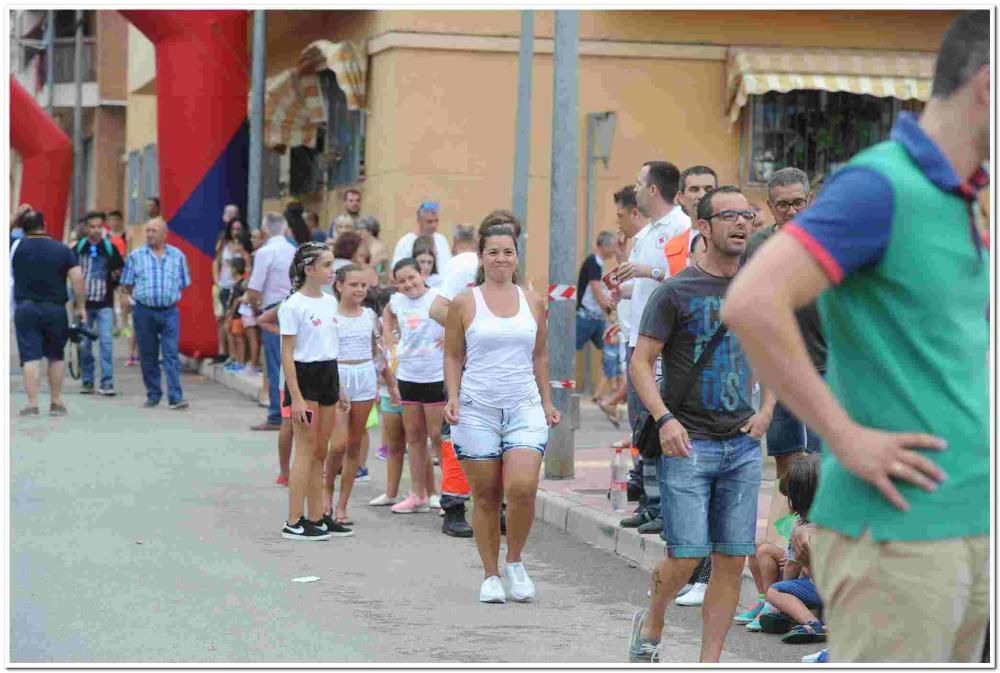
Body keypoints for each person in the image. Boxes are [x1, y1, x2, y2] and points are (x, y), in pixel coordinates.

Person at [723, 11, 989, 663]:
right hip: (895, 541)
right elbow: (752, 302)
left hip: (968, 524)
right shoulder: (880, 184)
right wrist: (844, 438)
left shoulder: (963, 197)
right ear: (989, 85)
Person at [627, 185, 769, 663]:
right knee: (687, 556)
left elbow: (774, 353)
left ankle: (710, 661)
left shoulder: (758, 286)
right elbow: (641, 363)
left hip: (743, 444)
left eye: (747, 215)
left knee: (731, 560)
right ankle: (654, 618)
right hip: (688, 443)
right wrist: (664, 419)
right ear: (703, 228)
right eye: (729, 216)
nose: (741, 224)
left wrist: (766, 411)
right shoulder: (675, 292)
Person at [444, 223, 559, 603]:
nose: (501, 258)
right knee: (487, 494)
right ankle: (490, 574)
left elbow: (540, 355)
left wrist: (546, 401)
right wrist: (453, 396)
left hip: (524, 405)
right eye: (493, 252)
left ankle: (515, 560)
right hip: (477, 409)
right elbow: (453, 355)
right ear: (481, 257)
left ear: (516, 256)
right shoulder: (465, 301)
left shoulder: (533, 301)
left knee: (522, 488)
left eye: (507, 251)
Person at [616, 162, 691, 537]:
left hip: (664, 341)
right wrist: (625, 288)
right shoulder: (647, 232)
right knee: (640, 423)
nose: (636, 190)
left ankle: (665, 505)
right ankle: (648, 501)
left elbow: (681, 279)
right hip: (638, 337)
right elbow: (647, 285)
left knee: (658, 420)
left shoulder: (681, 228)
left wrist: (649, 271)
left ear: (654, 190)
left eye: (638, 183)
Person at [278, 242, 353, 540]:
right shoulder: (293, 305)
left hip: (329, 374)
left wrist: (341, 388)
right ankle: (293, 521)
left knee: (321, 451)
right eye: (326, 265)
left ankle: (316, 516)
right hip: (304, 377)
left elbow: (329, 346)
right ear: (309, 269)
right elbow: (287, 354)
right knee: (306, 451)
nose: (331, 270)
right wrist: (295, 397)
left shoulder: (329, 300)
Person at [321, 265, 391, 526]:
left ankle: (342, 504)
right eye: (354, 285)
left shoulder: (371, 315)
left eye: (363, 285)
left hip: (364, 376)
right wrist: (334, 385)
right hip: (338, 376)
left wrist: (389, 384)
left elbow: (377, 351)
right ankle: (326, 491)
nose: (360, 289)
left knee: (354, 445)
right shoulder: (331, 316)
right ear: (339, 286)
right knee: (337, 444)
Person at [383, 258, 444, 514]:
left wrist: (450, 334)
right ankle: (418, 494)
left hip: (436, 374)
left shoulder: (438, 298)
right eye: (402, 281)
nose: (409, 284)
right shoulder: (396, 302)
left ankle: (449, 495)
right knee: (415, 436)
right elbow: (387, 314)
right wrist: (387, 334)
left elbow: (462, 318)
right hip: (408, 375)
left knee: (439, 437)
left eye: (412, 277)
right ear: (396, 284)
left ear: (423, 274)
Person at [12, 210, 86, 417]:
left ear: (22, 227)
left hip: (26, 308)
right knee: (56, 356)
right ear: (44, 224)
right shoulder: (62, 249)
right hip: (55, 309)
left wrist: (15, 216)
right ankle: (56, 402)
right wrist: (80, 307)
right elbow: (77, 278)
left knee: (30, 357)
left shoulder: (15, 246)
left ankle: (32, 404)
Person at [120, 217, 192, 410]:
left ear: (164, 234)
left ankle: (176, 396)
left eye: (154, 231)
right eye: (148, 231)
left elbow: (184, 282)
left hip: (169, 311)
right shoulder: (136, 256)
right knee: (147, 354)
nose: (150, 234)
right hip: (144, 310)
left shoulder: (178, 256)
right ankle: (153, 394)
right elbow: (127, 283)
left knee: (171, 354)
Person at [761, 454, 826, 645]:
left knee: (777, 591)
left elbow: (791, 567)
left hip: (825, 587)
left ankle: (812, 623)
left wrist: (781, 601)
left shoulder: (801, 529)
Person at [247, 212, 297, 431]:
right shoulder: (295, 251)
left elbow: (254, 288)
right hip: (296, 307)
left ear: (265, 231)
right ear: (285, 229)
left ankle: (277, 414)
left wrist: (256, 308)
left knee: (276, 363)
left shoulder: (265, 252)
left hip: (273, 310)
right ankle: (295, 412)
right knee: (295, 362)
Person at [74, 211, 126, 396]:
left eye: (99, 227)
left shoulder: (109, 248)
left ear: (103, 228)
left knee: (106, 342)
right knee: (86, 344)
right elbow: (71, 272)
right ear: (86, 228)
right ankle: (87, 380)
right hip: (84, 305)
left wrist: (116, 277)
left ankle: (107, 381)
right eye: (92, 226)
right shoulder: (79, 248)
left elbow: (120, 270)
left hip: (104, 303)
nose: (96, 230)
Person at [575, 230, 618, 403]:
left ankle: (608, 392)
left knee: (611, 350)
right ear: (605, 246)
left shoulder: (598, 264)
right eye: (613, 246)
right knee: (571, 350)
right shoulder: (593, 263)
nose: (615, 249)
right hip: (586, 318)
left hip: (596, 319)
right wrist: (610, 312)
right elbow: (597, 292)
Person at [215, 218, 252, 365]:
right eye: (233, 229)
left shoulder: (245, 248)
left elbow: (248, 266)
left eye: (239, 228)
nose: (236, 231)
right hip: (224, 286)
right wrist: (217, 281)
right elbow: (216, 262)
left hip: (237, 288)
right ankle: (228, 354)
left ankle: (240, 359)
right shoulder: (224, 244)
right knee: (224, 321)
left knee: (237, 325)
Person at [390, 201, 452, 274]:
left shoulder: (442, 240)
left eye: (436, 221)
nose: (434, 225)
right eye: (429, 222)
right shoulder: (406, 242)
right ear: (419, 221)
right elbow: (394, 273)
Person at [355, 215, 388, 280]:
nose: (358, 232)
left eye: (361, 229)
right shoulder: (363, 245)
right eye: (357, 229)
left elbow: (376, 270)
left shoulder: (378, 248)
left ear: (370, 231)